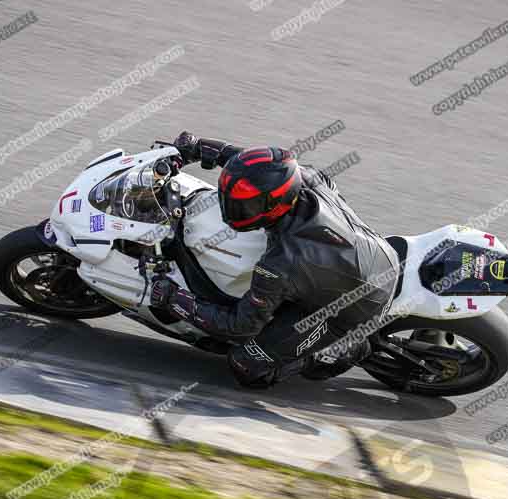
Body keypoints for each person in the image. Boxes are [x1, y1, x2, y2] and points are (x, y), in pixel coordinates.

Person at [151, 131, 399, 388]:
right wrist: (199, 147)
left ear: (273, 206)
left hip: (359, 306)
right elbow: (259, 169)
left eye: (244, 205)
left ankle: (347, 349)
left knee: (246, 364)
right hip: (380, 254)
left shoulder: (281, 263)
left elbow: (239, 326)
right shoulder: (303, 178)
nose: (232, 208)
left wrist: (175, 299)